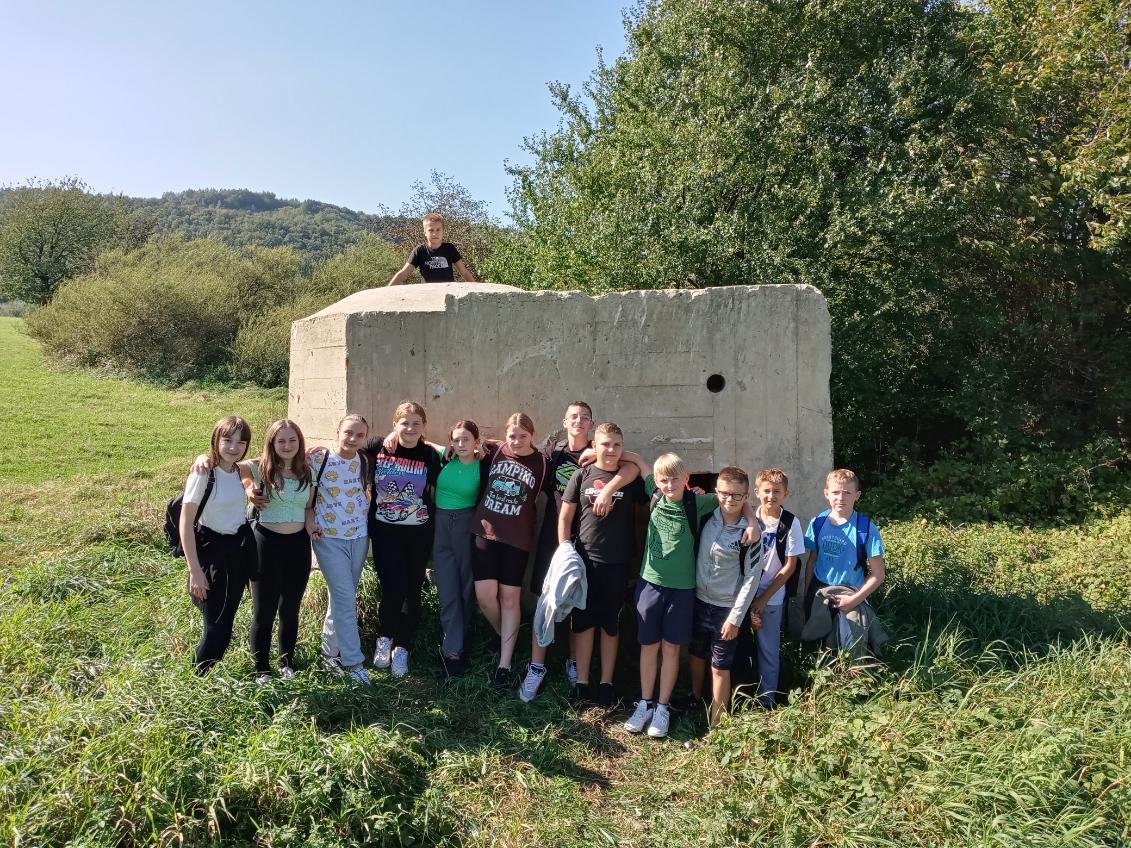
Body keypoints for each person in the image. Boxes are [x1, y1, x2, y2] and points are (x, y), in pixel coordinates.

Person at [616, 452, 757, 738]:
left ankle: (662, 707)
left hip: (682, 589)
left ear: (686, 479)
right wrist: (595, 452)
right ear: (656, 482)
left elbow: (733, 498)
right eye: (663, 480)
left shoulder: (698, 502)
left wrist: (752, 521)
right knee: (648, 647)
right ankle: (645, 703)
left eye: (675, 479)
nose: (669, 485)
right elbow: (638, 462)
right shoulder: (654, 493)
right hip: (650, 583)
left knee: (671, 649)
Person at [519, 422, 643, 707]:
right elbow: (565, 518)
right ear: (594, 446)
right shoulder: (581, 474)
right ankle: (582, 684)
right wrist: (565, 550)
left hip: (617, 562)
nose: (611, 450)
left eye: (617, 444)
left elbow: (640, 471)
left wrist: (612, 485)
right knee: (583, 622)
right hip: (585, 560)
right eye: (605, 444)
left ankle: (606, 684)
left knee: (611, 624)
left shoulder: (629, 476)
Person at [472, 413, 553, 691]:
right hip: (486, 531)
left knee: (509, 599)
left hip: (517, 540)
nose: (516, 441)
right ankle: (506, 635)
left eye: (523, 436)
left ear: (533, 436)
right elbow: (459, 444)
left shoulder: (543, 463)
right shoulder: (494, 451)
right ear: (505, 435)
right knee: (485, 596)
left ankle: (504, 665)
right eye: (512, 436)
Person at [366, 401, 442, 679]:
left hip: (419, 532)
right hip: (385, 531)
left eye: (416, 424)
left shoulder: (430, 455)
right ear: (394, 424)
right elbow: (344, 449)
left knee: (412, 588)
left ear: (424, 427)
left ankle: (402, 647)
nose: (410, 428)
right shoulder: (377, 447)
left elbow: (460, 451)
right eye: (404, 423)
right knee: (392, 585)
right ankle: (384, 637)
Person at [686, 466, 764, 724]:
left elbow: (752, 578)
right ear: (716, 491)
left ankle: (718, 723)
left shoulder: (751, 534)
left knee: (720, 666)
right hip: (699, 601)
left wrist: (736, 618)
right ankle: (695, 699)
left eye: (737, 495)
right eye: (724, 493)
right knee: (696, 654)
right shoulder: (706, 517)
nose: (729, 500)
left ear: (746, 497)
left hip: (726, 609)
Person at [244, 419, 317, 682]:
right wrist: (248, 488)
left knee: (290, 609)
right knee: (264, 610)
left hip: (298, 545)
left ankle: (286, 662)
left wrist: (312, 526)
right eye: (281, 441)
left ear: (299, 442)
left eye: (292, 440)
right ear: (272, 443)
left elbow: (308, 507)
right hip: (266, 543)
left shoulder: (308, 471)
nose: (287, 445)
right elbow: (234, 466)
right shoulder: (261, 468)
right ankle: (261, 668)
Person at [181, 416, 254, 673]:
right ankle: (196, 679)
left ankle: (204, 675)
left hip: (237, 553)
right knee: (216, 628)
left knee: (226, 621)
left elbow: (269, 459)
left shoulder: (239, 470)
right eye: (227, 440)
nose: (234, 447)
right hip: (212, 555)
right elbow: (185, 522)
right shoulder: (204, 473)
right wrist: (194, 571)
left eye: (241, 442)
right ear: (216, 440)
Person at [531, 400, 595, 687]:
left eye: (584, 417)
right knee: (545, 596)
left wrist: (598, 451)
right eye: (573, 416)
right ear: (564, 422)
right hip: (553, 535)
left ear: (591, 424)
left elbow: (629, 462)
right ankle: (536, 666)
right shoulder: (553, 454)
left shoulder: (600, 452)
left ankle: (573, 660)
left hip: (587, 536)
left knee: (578, 599)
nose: (578, 421)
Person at [308, 414, 372, 684]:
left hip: (359, 537)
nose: (353, 439)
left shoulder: (365, 460)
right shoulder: (318, 459)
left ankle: (328, 654)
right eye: (348, 433)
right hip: (328, 538)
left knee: (341, 598)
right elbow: (274, 460)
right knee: (346, 598)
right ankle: (354, 662)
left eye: (359, 435)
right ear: (337, 431)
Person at [433, 420, 490, 678]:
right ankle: (452, 649)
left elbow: (509, 447)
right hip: (440, 526)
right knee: (447, 588)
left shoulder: (484, 465)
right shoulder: (444, 458)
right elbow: (417, 440)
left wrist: (487, 446)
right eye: (455, 439)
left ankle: (458, 645)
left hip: (467, 526)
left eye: (466, 439)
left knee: (467, 588)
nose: (460, 444)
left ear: (476, 441)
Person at [746, 467, 805, 707]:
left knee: (768, 649)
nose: (771, 496)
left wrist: (763, 599)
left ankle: (767, 700)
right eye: (767, 491)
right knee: (740, 645)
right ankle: (741, 693)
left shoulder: (790, 522)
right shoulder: (749, 518)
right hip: (744, 592)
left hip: (771, 595)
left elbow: (790, 566)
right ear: (757, 492)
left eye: (777, 491)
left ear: (785, 494)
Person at [803, 468, 886, 620]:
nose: (841, 498)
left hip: (850, 592)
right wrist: (808, 594)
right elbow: (812, 561)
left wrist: (854, 600)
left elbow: (878, 574)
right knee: (815, 633)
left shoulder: (866, 528)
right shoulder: (817, 523)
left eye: (847, 493)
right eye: (835, 492)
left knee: (850, 634)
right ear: (826, 494)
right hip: (819, 590)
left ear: (857, 495)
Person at [386, 212, 477, 285]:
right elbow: (404, 273)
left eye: (438, 230)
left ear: (443, 231)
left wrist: (477, 289)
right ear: (425, 232)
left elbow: (464, 272)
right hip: (427, 295)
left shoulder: (450, 248)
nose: (434, 233)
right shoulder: (419, 251)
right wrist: (387, 291)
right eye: (431, 230)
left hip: (448, 294)